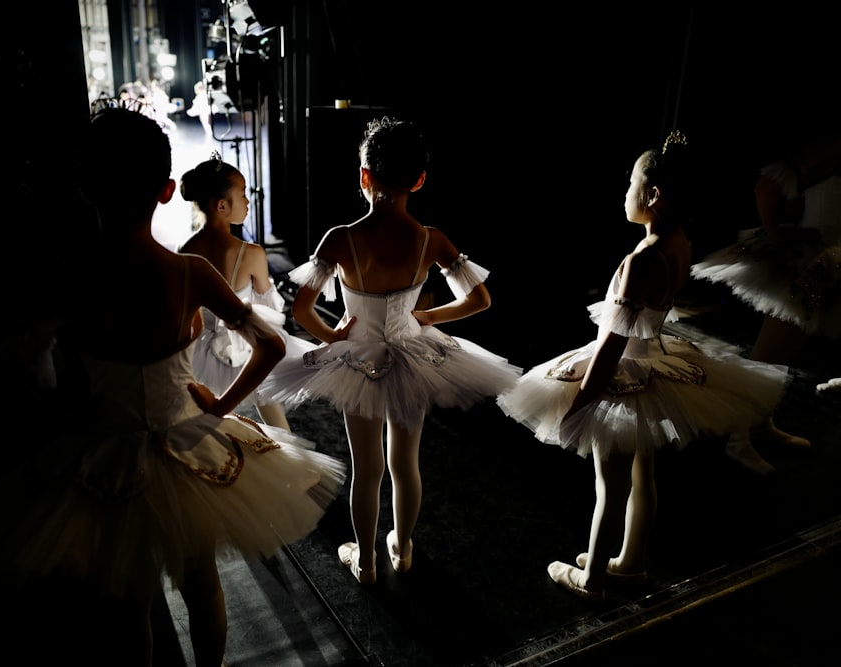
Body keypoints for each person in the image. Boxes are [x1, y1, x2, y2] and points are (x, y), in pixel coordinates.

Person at [0, 102, 346, 667]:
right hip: (187, 442)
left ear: (85, 187)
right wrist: (220, 408)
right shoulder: (187, 273)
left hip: (102, 452)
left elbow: (22, 370)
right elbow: (269, 345)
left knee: (129, 604)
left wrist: (64, 417)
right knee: (201, 584)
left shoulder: (71, 278)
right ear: (166, 191)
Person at [497, 131, 793, 601]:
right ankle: (630, 562)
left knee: (609, 486)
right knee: (642, 475)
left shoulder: (640, 260)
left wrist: (581, 403)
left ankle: (592, 578)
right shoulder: (679, 243)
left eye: (630, 185)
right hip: (656, 361)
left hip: (625, 373)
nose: (625, 194)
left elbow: (611, 346)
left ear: (652, 196)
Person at [265, 116, 522, 584]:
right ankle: (401, 548)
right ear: (420, 180)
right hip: (413, 357)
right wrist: (425, 318)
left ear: (364, 176)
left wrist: (333, 337)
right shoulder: (431, 238)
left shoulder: (340, 238)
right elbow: (479, 299)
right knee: (406, 462)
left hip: (357, 360)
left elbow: (302, 309)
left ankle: (364, 562)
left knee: (368, 469)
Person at [691, 129, 840, 474]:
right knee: (768, 357)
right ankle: (737, 438)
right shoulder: (832, 143)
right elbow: (767, 186)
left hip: (831, 263)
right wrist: (778, 232)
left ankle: (760, 425)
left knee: (782, 357)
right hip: (810, 264)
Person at [177, 154, 316, 431]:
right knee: (272, 415)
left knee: (199, 419)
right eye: (242, 195)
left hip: (198, 353)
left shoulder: (185, 252)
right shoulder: (251, 254)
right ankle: (284, 462)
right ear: (222, 205)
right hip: (249, 347)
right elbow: (268, 308)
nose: (248, 201)